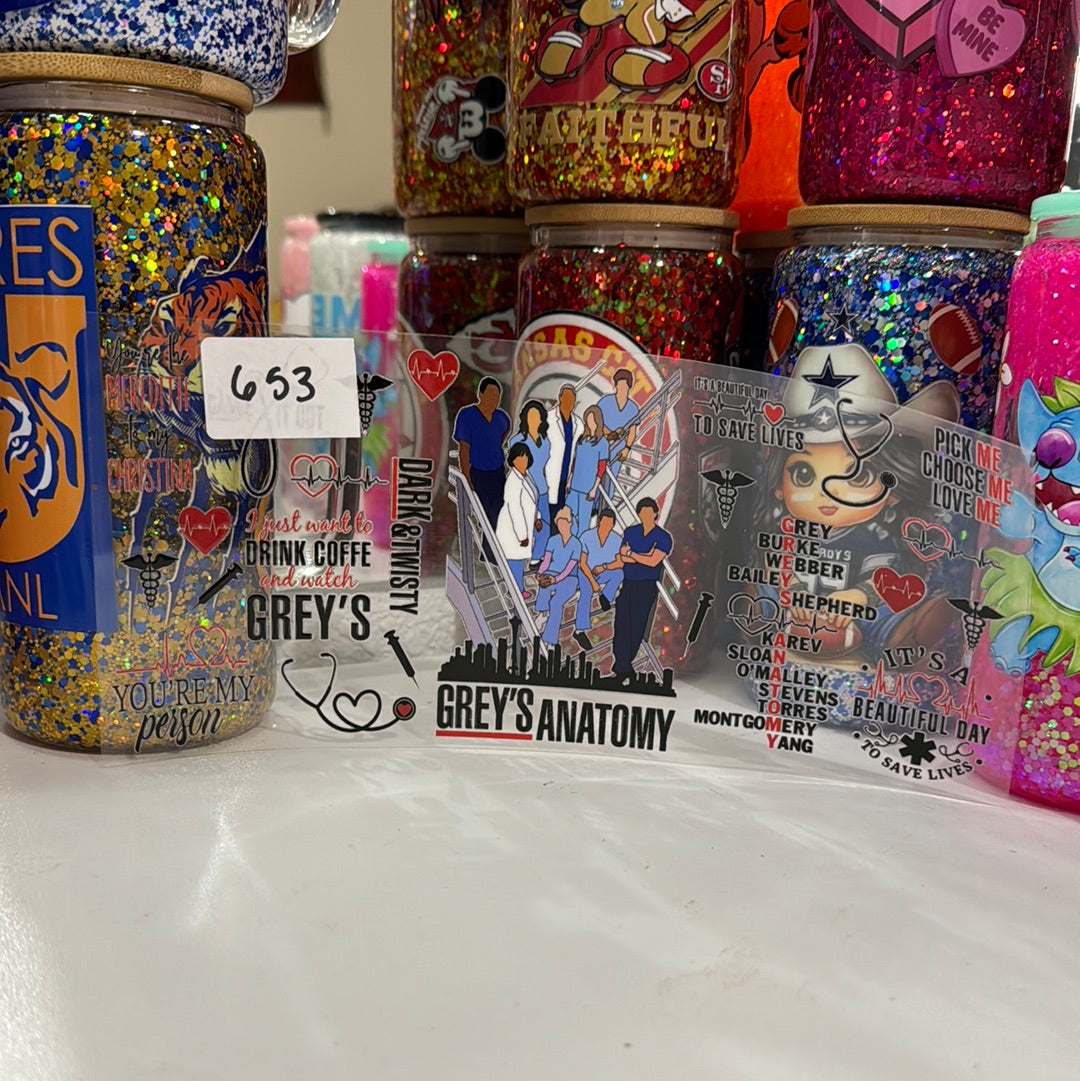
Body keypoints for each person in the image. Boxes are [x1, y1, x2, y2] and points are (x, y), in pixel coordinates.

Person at [612, 496, 672, 681]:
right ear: (638, 514)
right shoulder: (631, 532)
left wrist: (633, 554)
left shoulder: (663, 536)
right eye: (642, 512)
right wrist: (641, 556)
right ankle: (621, 666)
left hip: (646, 585)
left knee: (637, 624)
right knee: (622, 623)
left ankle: (626, 665)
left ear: (656, 513)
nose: (645, 515)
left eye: (649, 512)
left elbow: (653, 561)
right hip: (628, 582)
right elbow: (622, 557)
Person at [452, 377, 511, 530]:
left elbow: (506, 429)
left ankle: (489, 546)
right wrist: (466, 477)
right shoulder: (467, 415)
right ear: (481, 394)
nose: (494, 399)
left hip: (498, 474)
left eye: (497, 396)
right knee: (483, 517)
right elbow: (464, 449)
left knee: (497, 515)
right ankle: (485, 545)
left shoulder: (501, 417)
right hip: (478, 474)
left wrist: (495, 446)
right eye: (490, 395)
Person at [573, 508, 623, 652]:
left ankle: (606, 596)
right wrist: (593, 582)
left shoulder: (616, 539)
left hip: (602, 571)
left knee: (619, 574)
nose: (606, 526)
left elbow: (620, 563)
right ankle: (579, 631)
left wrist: (604, 567)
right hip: (585, 572)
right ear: (599, 521)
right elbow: (582, 563)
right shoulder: (587, 536)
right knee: (586, 593)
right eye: (604, 522)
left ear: (613, 525)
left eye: (610, 523)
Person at [495, 442, 541, 596]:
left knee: (520, 561)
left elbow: (533, 500)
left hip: (525, 524)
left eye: (525, 457)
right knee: (515, 560)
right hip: (513, 529)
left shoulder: (527, 476)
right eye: (519, 458)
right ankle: (516, 591)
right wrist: (522, 536)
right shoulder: (512, 481)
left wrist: (537, 518)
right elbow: (515, 509)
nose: (523, 461)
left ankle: (518, 589)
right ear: (513, 460)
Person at [534, 506, 582, 647]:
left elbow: (569, 568)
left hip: (569, 579)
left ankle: (549, 639)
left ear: (570, 523)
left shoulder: (576, 544)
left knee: (556, 603)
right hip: (552, 573)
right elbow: (546, 561)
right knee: (544, 587)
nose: (562, 526)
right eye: (559, 523)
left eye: (564, 523)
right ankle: (543, 613)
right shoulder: (553, 540)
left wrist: (556, 579)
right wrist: (540, 573)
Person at [517, 399, 551, 563]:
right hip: (526, 489)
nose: (533, 420)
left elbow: (544, 465)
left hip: (542, 489)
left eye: (536, 417)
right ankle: (521, 557)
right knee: (525, 524)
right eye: (530, 416)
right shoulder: (517, 441)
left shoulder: (545, 441)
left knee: (544, 525)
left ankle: (537, 558)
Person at [543, 384, 582, 528]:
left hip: (565, 475)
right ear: (560, 398)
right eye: (566, 398)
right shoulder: (548, 418)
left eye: (572, 399)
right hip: (549, 474)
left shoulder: (578, 423)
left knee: (560, 511)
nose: (569, 402)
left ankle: (555, 538)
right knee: (546, 511)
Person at [565, 404, 609, 532]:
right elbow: (575, 462)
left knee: (584, 520)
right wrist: (569, 481)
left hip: (588, 488)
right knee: (568, 514)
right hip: (574, 485)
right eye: (588, 419)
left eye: (592, 419)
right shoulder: (581, 439)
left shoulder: (603, 443)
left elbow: (601, 468)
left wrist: (594, 489)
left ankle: (580, 541)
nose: (590, 423)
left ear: (598, 421)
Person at [597, 367, 638, 495]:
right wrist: (610, 433)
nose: (622, 388)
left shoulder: (633, 408)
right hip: (601, 444)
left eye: (625, 385)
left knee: (611, 479)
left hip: (618, 449)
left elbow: (632, 431)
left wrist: (627, 448)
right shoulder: (605, 401)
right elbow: (597, 421)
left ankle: (605, 503)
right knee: (596, 476)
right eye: (619, 385)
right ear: (615, 386)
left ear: (629, 387)